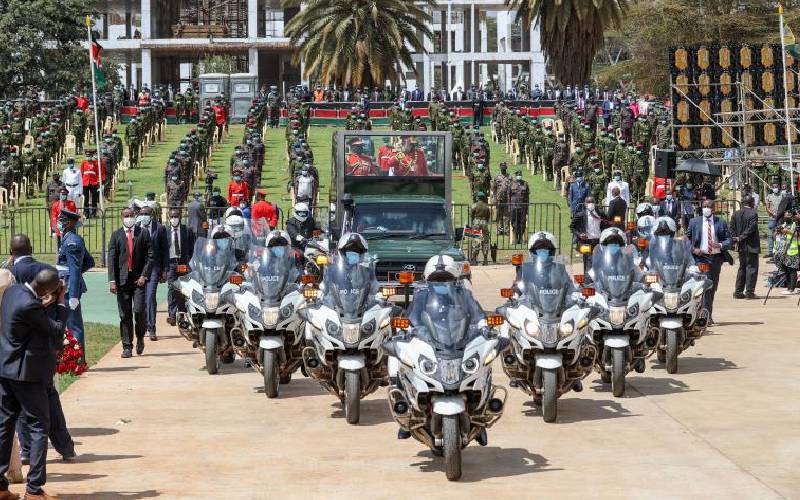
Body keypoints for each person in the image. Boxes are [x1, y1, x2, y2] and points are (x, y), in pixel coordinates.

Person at [0, 267, 68, 500]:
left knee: (5, 426)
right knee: (39, 426)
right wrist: (59, 302)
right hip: (26, 375)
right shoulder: (32, 306)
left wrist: (46, 301)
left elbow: (32, 318)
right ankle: (34, 489)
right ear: (50, 289)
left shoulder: (13, 292)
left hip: (5, 370)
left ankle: (0, 487)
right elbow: (56, 330)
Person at [107, 207, 154, 358]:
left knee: (139, 311)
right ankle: (127, 346)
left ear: (135, 216)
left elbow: (150, 257)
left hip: (138, 281)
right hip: (122, 282)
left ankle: (140, 337)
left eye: (131, 215)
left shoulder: (143, 233)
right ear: (122, 218)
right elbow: (112, 259)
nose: (129, 218)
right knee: (125, 315)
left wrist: (144, 276)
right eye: (126, 216)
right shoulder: (116, 235)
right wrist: (112, 281)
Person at [686, 200, 732, 325]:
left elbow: (729, 239)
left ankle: (706, 314)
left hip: (715, 258)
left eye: (709, 206)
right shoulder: (694, 222)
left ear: (713, 208)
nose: (706, 208)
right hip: (700, 258)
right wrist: (694, 250)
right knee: (701, 286)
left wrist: (720, 244)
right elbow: (686, 239)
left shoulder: (720, 222)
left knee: (711, 287)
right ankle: (700, 315)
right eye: (704, 206)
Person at [56, 209, 94, 355]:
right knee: (70, 323)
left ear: (71, 223)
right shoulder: (68, 238)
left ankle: (78, 360)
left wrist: (73, 295)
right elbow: (89, 262)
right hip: (67, 284)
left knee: (74, 325)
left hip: (68, 288)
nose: (60, 223)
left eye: (63, 221)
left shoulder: (72, 241)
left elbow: (75, 267)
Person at [139, 207, 165, 342]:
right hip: (140, 269)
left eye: (147, 214)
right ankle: (142, 327)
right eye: (142, 214)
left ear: (152, 215)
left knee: (150, 297)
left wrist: (164, 270)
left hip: (154, 267)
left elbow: (164, 250)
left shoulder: (159, 228)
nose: (144, 216)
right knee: (141, 300)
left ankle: (152, 327)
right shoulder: (136, 227)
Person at [165, 208, 195, 326]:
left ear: (180, 217)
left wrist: (188, 262)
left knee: (183, 288)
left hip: (183, 263)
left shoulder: (187, 230)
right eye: (172, 217)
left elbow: (192, 248)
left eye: (176, 216)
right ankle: (172, 315)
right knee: (172, 288)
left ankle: (182, 313)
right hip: (171, 263)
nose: (174, 219)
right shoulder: (165, 231)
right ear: (169, 218)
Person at [729, 195, 760, 299]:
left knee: (742, 268)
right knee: (751, 268)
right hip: (751, 245)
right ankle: (749, 292)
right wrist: (740, 238)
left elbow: (731, 228)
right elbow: (751, 229)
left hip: (741, 246)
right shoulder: (753, 213)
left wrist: (736, 238)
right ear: (751, 203)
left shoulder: (736, 213)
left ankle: (738, 292)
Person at [570, 196, 609, 274]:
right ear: (585, 204)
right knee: (587, 260)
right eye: (588, 202)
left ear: (594, 203)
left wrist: (604, 234)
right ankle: (586, 279)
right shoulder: (580, 215)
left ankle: (598, 279)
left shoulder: (600, 213)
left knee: (598, 260)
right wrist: (580, 234)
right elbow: (572, 227)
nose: (590, 203)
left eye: (592, 202)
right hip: (586, 241)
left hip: (598, 240)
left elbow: (607, 223)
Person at [470, 192, 492, 265]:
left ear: (477, 198)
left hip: (476, 222)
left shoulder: (474, 205)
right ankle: (485, 260)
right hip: (484, 223)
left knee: (476, 240)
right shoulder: (486, 206)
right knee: (485, 241)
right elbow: (488, 216)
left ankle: (474, 260)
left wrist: (473, 222)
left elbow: (472, 215)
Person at [509, 170, 530, 245]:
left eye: (520, 175)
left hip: (523, 207)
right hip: (513, 207)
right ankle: (516, 238)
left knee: (522, 223)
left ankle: (520, 237)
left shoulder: (525, 184)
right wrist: (509, 207)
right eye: (518, 175)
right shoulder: (511, 184)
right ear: (516, 176)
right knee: (514, 222)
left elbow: (527, 197)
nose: (519, 176)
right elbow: (509, 196)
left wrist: (527, 208)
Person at [765, 182, 784, 259]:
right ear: (772, 188)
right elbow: (767, 207)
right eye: (774, 187)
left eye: (776, 186)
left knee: (780, 235)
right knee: (770, 236)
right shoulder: (769, 196)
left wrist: (779, 214)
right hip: (772, 219)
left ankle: (780, 251)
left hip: (780, 219)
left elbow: (784, 206)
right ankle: (770, 252)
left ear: (779, 187)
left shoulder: (782, 196)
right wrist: (772, 213)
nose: (775, 188)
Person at [80, 153, 101, 218]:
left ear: (92, 157)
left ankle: (94, 213)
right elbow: (81, 172)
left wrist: (98, 181)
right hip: (85, 182)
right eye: (87, 156)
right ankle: (86, 213)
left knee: (94, 198)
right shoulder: (83, 162)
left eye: (89, 156)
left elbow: (97, 172)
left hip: (93, 182)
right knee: (86, 198)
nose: (88, 157)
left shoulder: (95, 163)